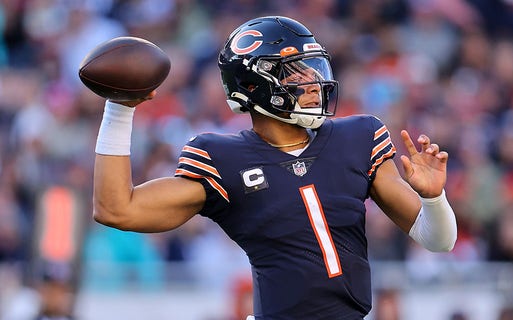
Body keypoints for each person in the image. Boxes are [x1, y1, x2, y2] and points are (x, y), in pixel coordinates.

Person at [91, 16, 457, 319]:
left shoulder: (358, 136)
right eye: (295, 72)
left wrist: (433, 198)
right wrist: (120, 109)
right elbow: (116, 209)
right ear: (254, 84)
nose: (314, 82)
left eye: (314, 67)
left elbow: (438, 241)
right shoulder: (223, 158)